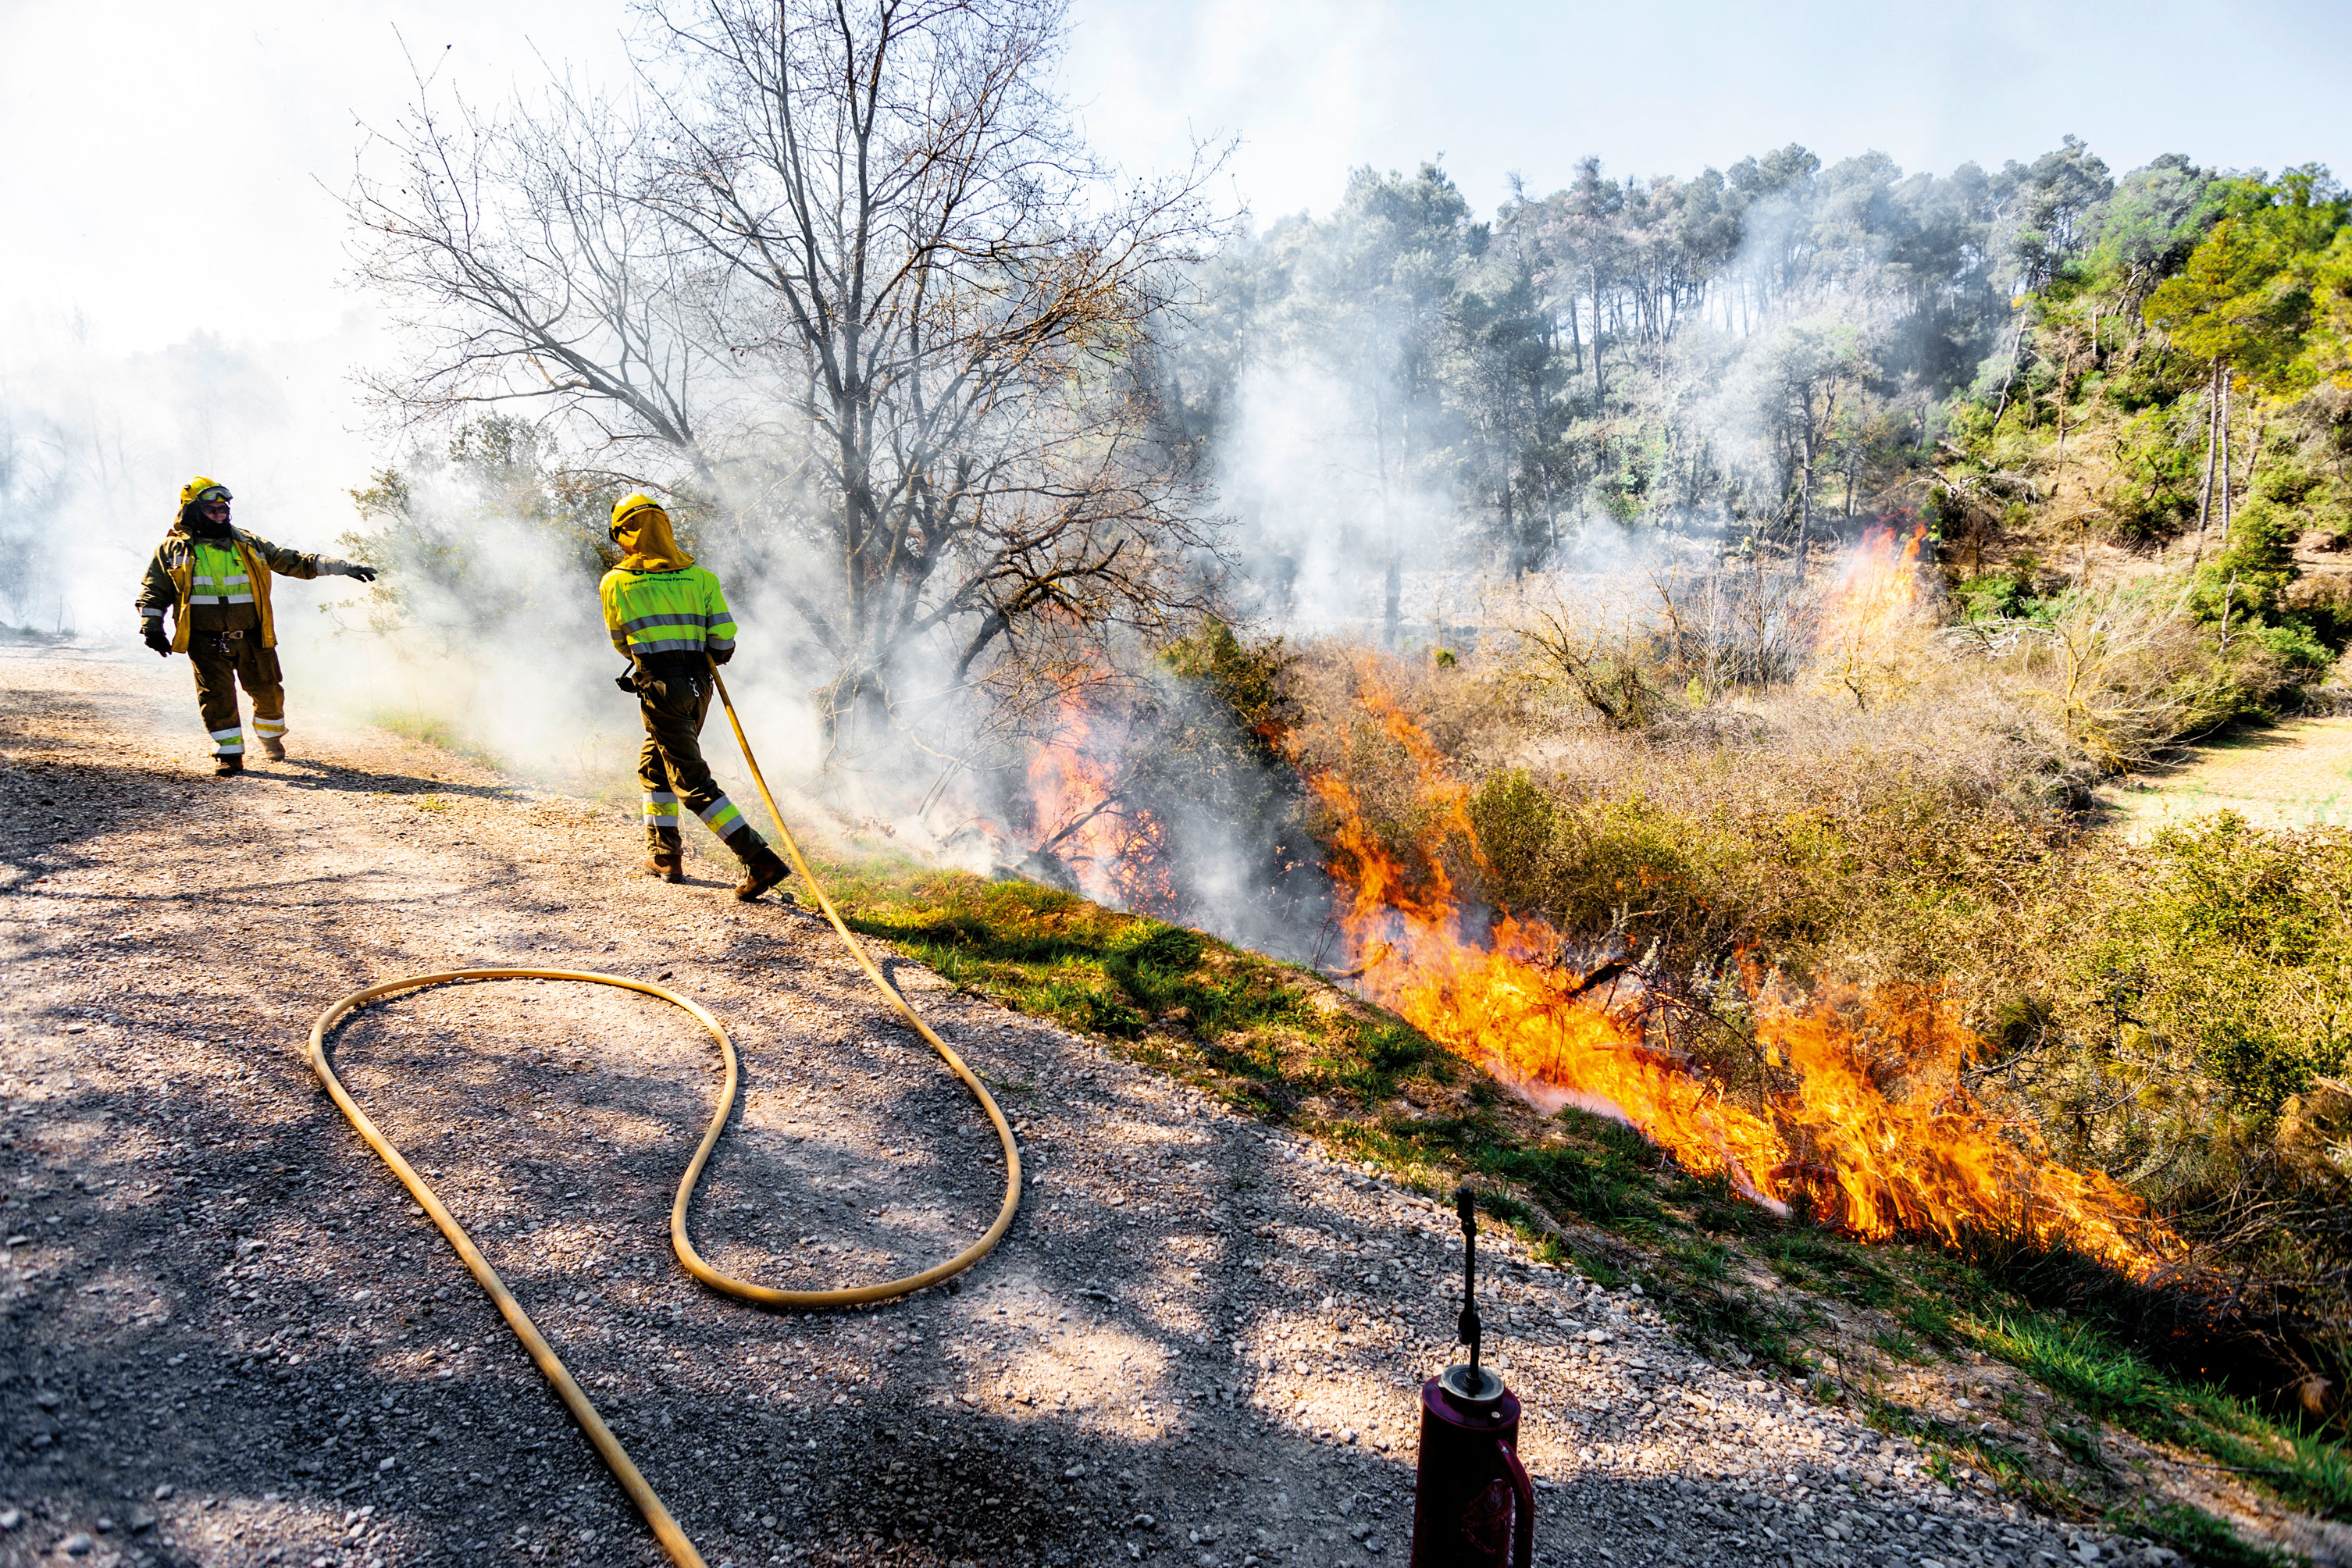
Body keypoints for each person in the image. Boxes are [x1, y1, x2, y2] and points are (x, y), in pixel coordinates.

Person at [599, 492, 792, 901]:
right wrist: (707, 650)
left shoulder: (616, 582)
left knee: (691, 781)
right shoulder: (701, 577)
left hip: (659, 688)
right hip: (699, 686)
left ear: (627, 535)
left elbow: (621, 642)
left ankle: (759, 859)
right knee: (654, 765)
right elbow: (723, 641)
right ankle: (665, 855)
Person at [134, 476, 379, 776]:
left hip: (252, 636)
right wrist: (152, 626)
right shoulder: (173, 550)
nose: (220, 515)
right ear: (193, 512)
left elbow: (294, 561)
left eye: (223, 510)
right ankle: (229, 755)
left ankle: (270, 736)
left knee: (268, 693)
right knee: (217, 698)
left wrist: (344, 567)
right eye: (212, 510)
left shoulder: (248, 544)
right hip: (204, 641)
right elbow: (154, 591)